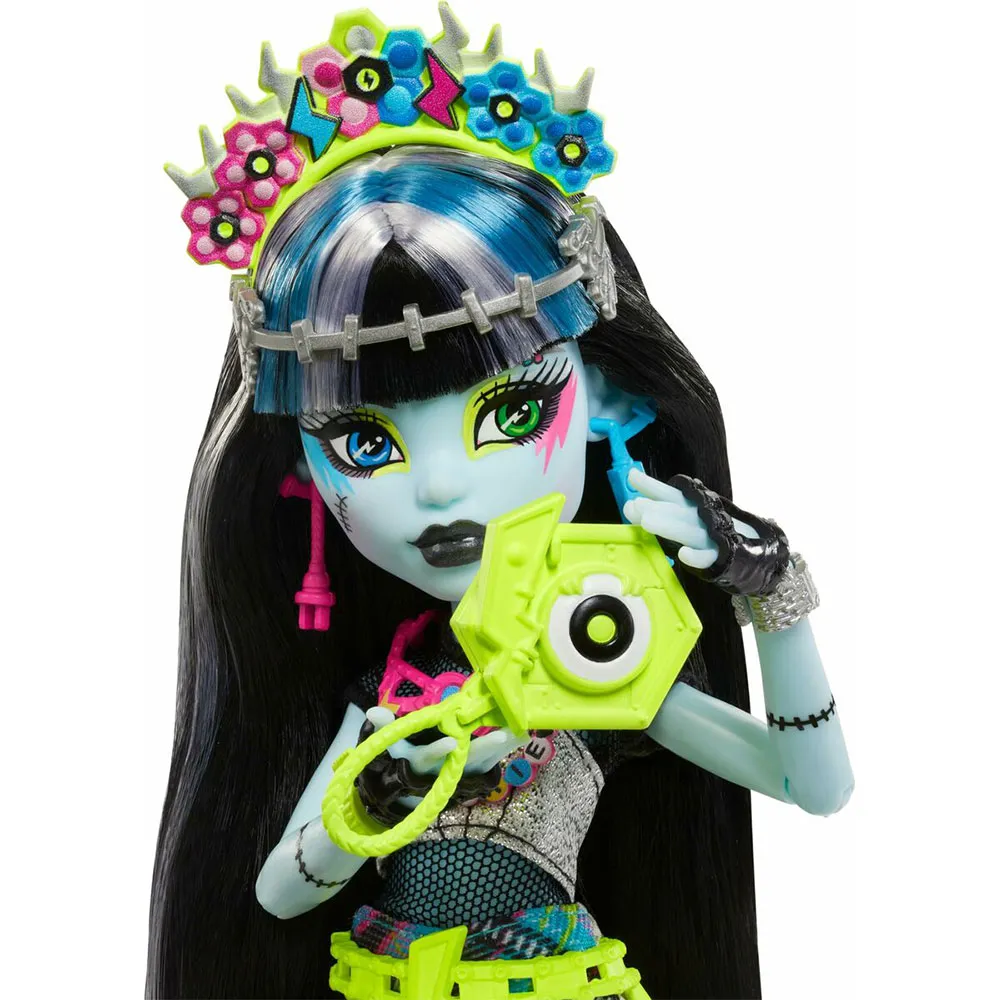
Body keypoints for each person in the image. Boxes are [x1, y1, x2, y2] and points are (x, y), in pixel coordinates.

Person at [148, 7, 853, 998]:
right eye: (365, 443)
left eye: (510, 414)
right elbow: (277, 892)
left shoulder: (594, 657)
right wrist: (370, 799)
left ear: (609, 398)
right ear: (298, 469)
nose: (439, 486)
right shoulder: (387, 690)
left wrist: (774, 591)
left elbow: (810, 783)